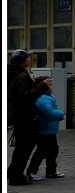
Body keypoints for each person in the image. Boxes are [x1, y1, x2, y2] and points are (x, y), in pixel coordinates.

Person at [7, 49, 48, 186]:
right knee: (25, 147)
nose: (30, 60)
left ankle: (13, 172)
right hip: (24, 115)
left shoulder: (12, 73)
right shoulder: (22, 76)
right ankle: (16, 176)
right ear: (22, 61)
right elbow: (26, 96)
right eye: (28, 58)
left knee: (22, 146)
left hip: (17, 115)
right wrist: (41, 86)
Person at [25, 77, 65, 181]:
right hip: (44, 129)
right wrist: (61, 114)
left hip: (49, 128)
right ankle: (32, 171)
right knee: (41, 151)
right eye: (49, 85)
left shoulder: (48, 97)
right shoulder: (43, 99)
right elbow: (49, 113)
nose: (52, 87)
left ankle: (51, 170)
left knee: (53, 150)